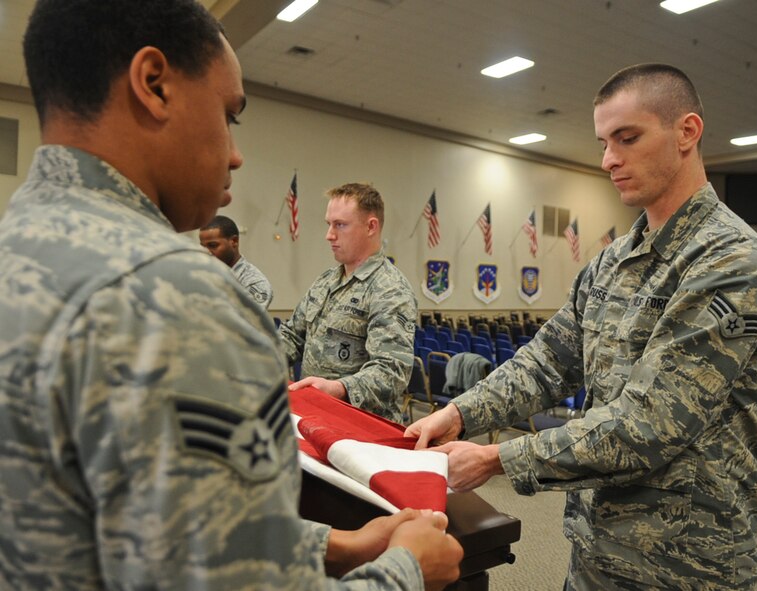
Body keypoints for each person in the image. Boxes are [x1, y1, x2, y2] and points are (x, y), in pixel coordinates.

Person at [0, 1, 462, 590]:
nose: (236, 153)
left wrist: (332, 546)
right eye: (229, 115)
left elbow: (153, 521)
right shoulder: (178, 296)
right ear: (154, 85)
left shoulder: (22, 245)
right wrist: (407, 570)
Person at [406, 63, 757, 590]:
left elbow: (652, 423)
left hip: (691, 566)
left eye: (627, 138)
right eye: (604, 142)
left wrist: (498, 457)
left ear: (687, 132)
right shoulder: (614, 260)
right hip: (599, 549)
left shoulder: (736, 262)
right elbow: (548, 361)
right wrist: (458, 413)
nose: (609, 159)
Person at [279, 183, 417, 423]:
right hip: (316, 416)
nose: (329, 235)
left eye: (340, 225)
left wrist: (339, 388)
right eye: (329, 224)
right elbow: (292, 336)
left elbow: (391, 372)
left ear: (371, 226)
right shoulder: (326, 280)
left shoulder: (390, 289)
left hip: (362, 429)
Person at [200, 214, 274, 310]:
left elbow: (245, 322)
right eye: (202, 246)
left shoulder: (254, 283)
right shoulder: (203, 273)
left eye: (213, 245)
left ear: (234, 241)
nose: (206, 251)